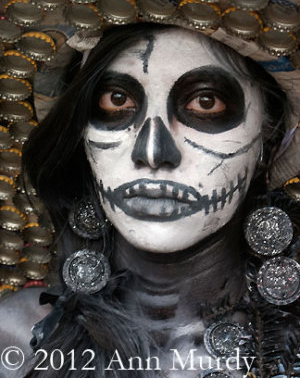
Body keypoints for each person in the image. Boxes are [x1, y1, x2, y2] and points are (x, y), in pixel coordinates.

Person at [0, 23, 299, 378]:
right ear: (81, 136)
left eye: (206, 102)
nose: (153, 152)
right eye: (117, 100)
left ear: (271, 133)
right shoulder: (14, 341)